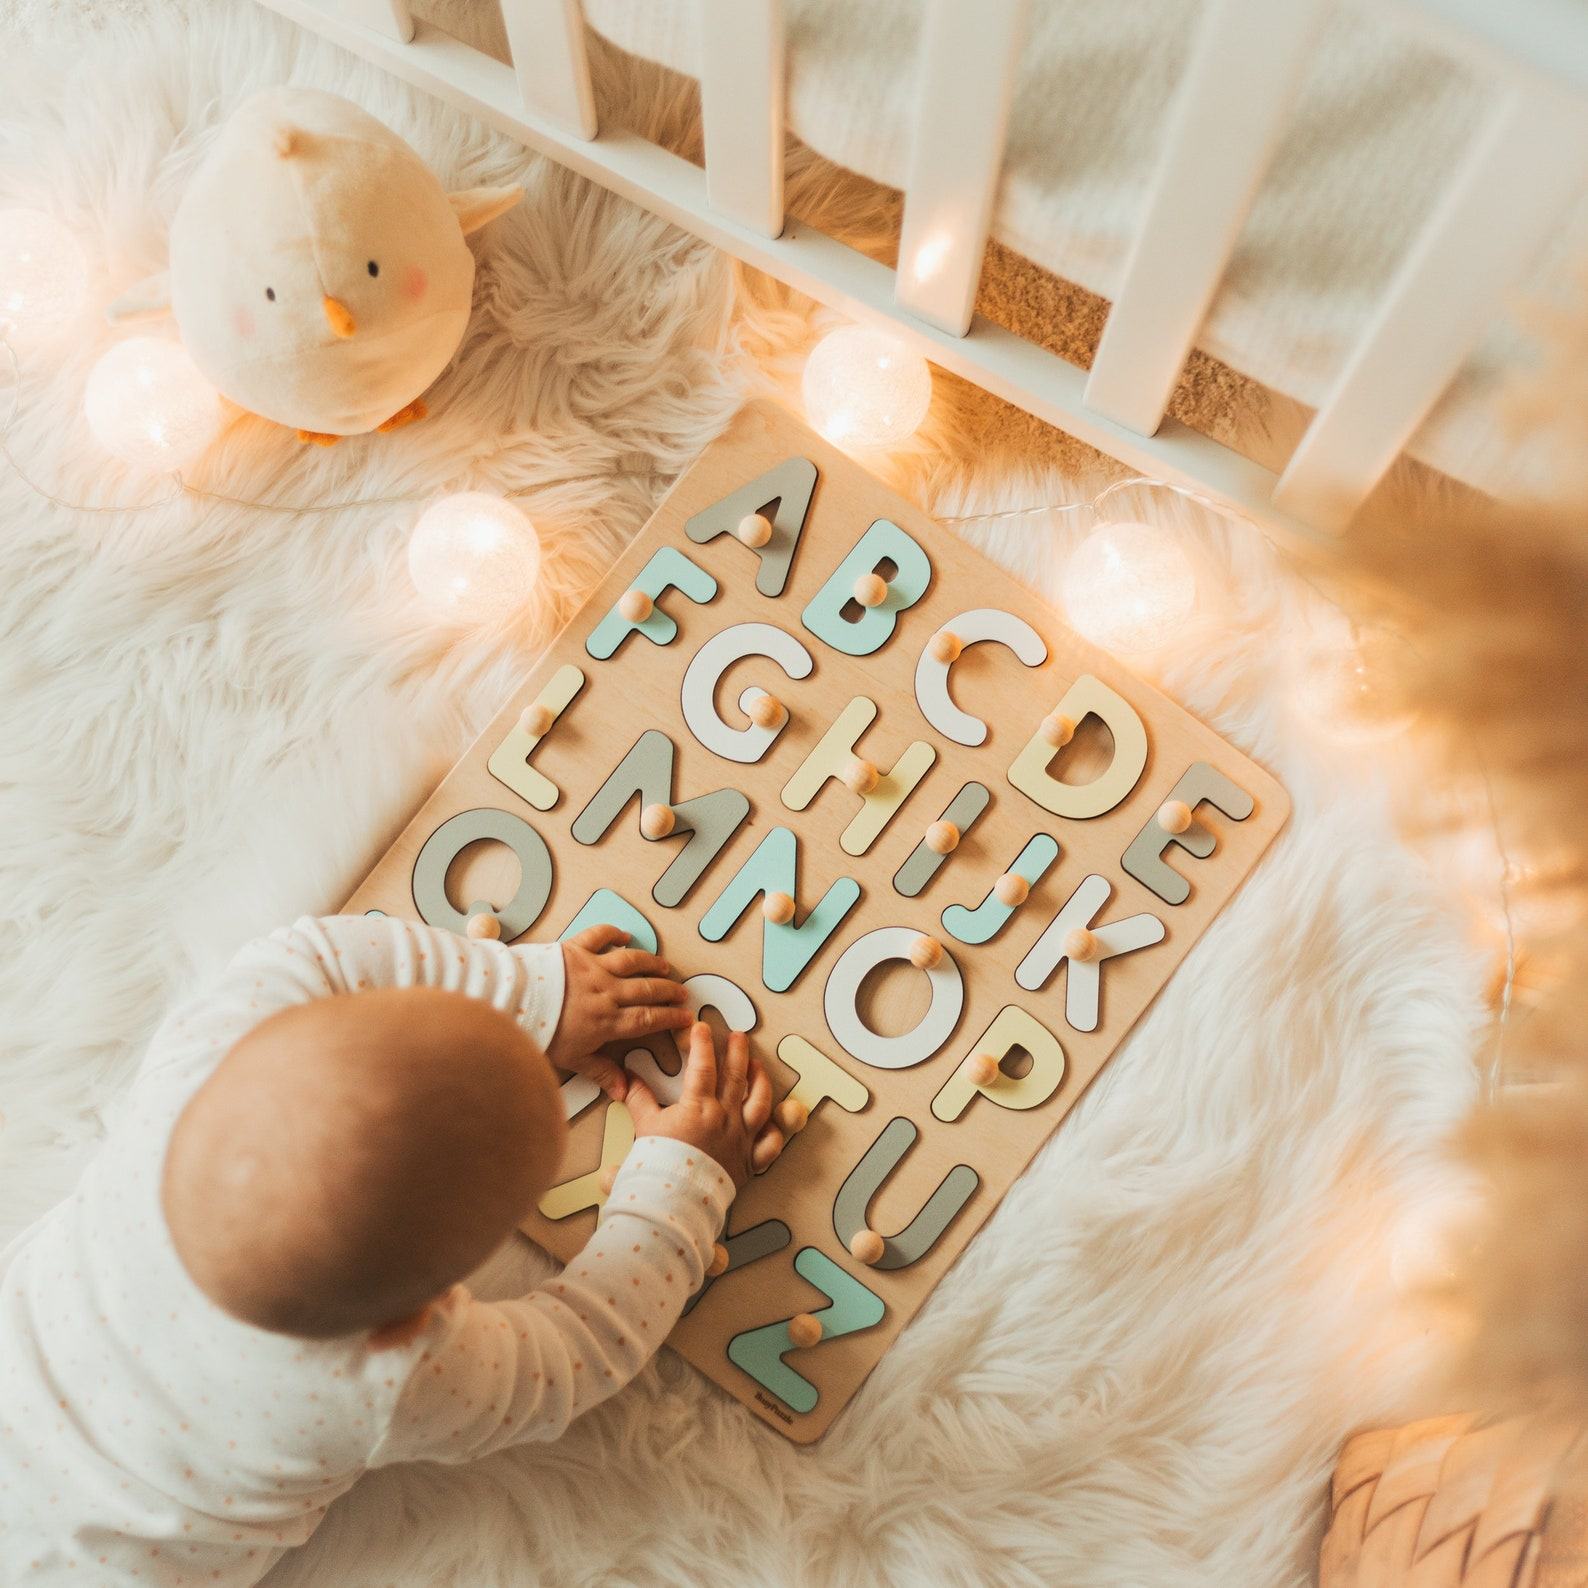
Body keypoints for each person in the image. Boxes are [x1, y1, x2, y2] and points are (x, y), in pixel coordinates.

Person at [0, 914, 784, 1583]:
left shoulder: (196, 1063)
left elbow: (316, 955)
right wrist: (686, 1174)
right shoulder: (386, 1383)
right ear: (411, 1328)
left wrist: (536, 993)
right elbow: (585, 1348)